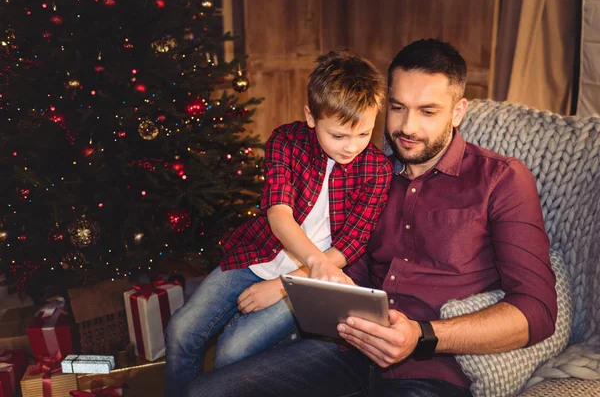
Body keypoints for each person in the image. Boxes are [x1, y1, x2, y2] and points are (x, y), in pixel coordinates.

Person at [181, 39, 558, 397]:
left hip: (430, 371)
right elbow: (346, 267)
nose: (408, 128)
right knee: (205, 391)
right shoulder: (371, 173)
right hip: (345, 352)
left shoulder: (501, 178)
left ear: (457, 111)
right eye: (398, 107)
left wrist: (422, 335)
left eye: (428, 111)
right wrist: (295, 288)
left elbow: (537, 311)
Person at [165, 50, 393, 396]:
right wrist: (312, 261)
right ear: (311, 117)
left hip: (309, 281)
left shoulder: (377, 168)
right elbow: (278, 214)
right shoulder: (286, 141)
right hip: (257, 254)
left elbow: (350, 246)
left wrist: (286, 284)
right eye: (339, 136)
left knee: (234, 350)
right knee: (182, 330)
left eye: (364, 134)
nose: (352, 148)